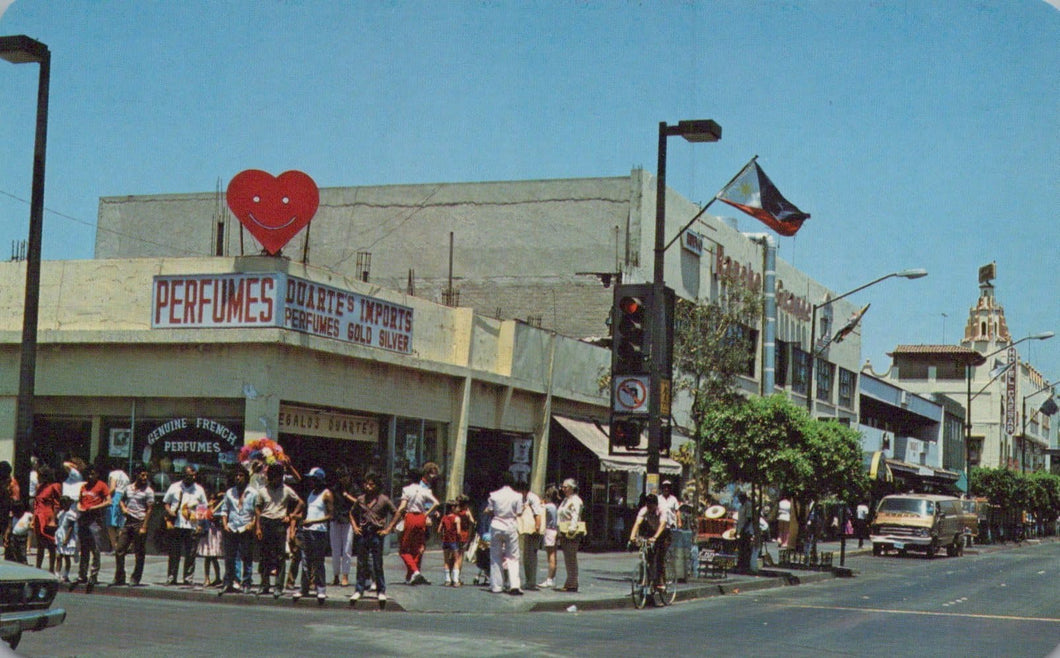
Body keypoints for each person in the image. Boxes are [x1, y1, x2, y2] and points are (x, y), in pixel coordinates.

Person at [384, 462, 440, 586]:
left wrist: (395, 520)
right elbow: (436, 503)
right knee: (417, 548)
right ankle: (410, 576)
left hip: (410, 517)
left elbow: (403, 506)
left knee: (403, 549)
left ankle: (414, 572)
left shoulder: (406, 489)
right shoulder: (425, 490)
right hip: (421, 517)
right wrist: (426, 514)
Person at [254, 462, 303, 598]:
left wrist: (291, 515)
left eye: (279, 476)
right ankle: (264, 585)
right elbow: (258, 509)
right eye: (274, 476)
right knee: (264, 556)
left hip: (279, 523)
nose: (277, 479)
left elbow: (300, 502)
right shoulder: (263, 490)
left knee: (280, 556)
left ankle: (278, 586)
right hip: (265, 522)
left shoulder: (286, 490)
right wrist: (258, 527)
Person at [349, 471, 396, 604]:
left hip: (376, 533)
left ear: (376, 486)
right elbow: (352, 513)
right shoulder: (361, 499)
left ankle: (381, 591)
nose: (368, 487)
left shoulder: (383, 500)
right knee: (361, 562)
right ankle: (359, 590)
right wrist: (355, 526)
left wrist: (388, 528)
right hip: (363, 533)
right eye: (366, 484)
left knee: (377, 563)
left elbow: (396, 513)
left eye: (371, 484)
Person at [162, 465, 209, 586]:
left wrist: (200, 524)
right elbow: (166, 502)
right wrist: (170, 511)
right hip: (176, 524)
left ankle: (188, 578)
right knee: (174, 553)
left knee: (191, 553)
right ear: (184, 475)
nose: (193, 477)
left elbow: (203, 507)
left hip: (192, 526)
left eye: (194, 475)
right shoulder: (174, 487)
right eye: (190, 475)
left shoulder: (199, 489)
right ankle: (171, 577)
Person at [294, 467, 332, 603]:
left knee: (318, 561)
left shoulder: (326, 494)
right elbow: (308, 511)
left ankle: (320, 588)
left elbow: (330, 515)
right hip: (307, 530)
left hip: (319, 532)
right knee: (306, 560)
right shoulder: (311, 493)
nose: (311, 482)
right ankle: (304, 587)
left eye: (314, 479)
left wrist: (313, 521)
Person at [217, 465, 257, 596]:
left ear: (246, 477)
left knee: (247, 557)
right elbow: (224, 510)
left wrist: (253, 524)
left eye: (241, 476)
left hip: (246, 527)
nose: (238, 478)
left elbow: (257, 512)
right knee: (230, 557)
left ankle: (246, 583)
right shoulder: (230, 492)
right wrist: (225, 524)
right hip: (232, 527)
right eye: (236, 476)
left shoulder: (253, 493)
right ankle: (229, 582)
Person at [112, 466, 154, 586]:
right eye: (142, 475)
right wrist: (123, 508)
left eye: (146, 475)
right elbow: (121, 500)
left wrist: (144, 526)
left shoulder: (148, 491)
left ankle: (136, 577)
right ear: (136, 475)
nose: (145, 478)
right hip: (128, 521)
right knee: (120, 549)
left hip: (140, 521)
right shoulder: (128, 488)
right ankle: (120, 575)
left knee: (139, 552)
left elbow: (150, 509)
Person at [72, 464, 111, 591]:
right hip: (83, 518)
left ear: (97, 474)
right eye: (88, 474)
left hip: (95, 519)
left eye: (92, 474)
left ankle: (93, 575)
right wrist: (79, 507)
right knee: (84, 548)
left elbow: (108, 501)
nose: (90, 476)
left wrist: (94, 507)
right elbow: (79, 501)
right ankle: (82, 575)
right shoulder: (83, 486)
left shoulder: (102, 485)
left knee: (95, 549)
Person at [487, 471, 524, 595]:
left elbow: (490, 511)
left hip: (496, 525)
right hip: (511, 526)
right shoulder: (517, 496)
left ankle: (497, 586)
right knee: (513, 556)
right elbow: (519, 512)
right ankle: (514, 585)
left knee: (495, 556)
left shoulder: (493, 495)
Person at [628, 493, 666, 587]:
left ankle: (661, 581)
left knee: (659, 556)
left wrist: (655, 538)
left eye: (651, 506)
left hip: (664, 532)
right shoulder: (644, 510)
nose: (649, 509)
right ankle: (646, 579)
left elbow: (662, 525)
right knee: (648, 556)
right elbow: (637, 523)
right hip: (652, 530)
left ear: (656, 505)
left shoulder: (662, 509)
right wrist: (632, 537)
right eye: (647, 506)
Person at [556, 478, 584, 592]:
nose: (563, 489)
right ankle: (570, 582)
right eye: (562, 487)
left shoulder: (576, 500)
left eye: (565, 487)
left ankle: (573, 583)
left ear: (572, 488)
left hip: (571, 532)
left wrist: (572, 529)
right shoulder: (565, 500)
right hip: (563, 530)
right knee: (568, 558)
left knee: (571, 557)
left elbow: (576, 515)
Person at [33, 464, 62, 573]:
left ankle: (51, 569)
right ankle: (38, 567)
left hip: (48, 516)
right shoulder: (39, 487)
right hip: (38, 516)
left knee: (50, 543)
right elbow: (36, 503)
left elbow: (57, 504)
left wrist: (53, 519)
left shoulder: (54, 486)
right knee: (40, 544)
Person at [329, 467, 355, 588]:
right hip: (336, 520)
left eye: (345, 477)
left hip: (349, 521)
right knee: (335, 549)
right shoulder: (334, 489)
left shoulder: (354, 488)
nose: (343, 480)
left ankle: (345, 575)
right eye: (341, 478)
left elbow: (359, 502)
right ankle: (335, 575)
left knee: (347, 549)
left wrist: (347, 496)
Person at [516, 480, 544, 590]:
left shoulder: (533, 498)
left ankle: (531, 581)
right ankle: (529, 580)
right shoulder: (523, 499)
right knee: (526, 556)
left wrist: (537, 528)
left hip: (533, 531)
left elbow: (538, 514)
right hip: (527, 530)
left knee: (531, 556)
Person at [196, 486, 224, 588]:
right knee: (207, 557)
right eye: (210, 498)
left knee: (214, 557)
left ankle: (217, 577)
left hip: (215, 533)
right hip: (206, 533)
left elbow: (221, 519)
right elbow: (199, 519)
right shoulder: (202, 506)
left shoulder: (219, 507)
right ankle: (206, 578)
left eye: (214, 499)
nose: (212, 500)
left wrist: (215, 517)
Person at [537, 484, 560, 589]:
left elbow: (539, 509)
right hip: (555, 530)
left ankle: (549, 579)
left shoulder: (547, 507)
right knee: (554, 555)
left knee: (550, 556)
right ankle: (552, 578)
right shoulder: (555, 506)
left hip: (549, 531)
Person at [105, 460, 130, 553]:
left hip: (114, 497)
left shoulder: (113, 474)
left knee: (110, 524)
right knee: (120, 523)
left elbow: (112, 488)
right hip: (123, 498)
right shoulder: (126, 476)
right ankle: (120, 546)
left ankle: (114, 547)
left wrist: (105, 497)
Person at [54, 496, 78, 582]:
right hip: (60, 535)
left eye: (65, 504)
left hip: (67, 536)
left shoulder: (71, 514)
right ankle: (57, 573)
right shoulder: (61, 513)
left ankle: (66, 574)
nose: (63, 506)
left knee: (66, 557)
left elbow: (70, 527)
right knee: (58, 556)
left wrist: (66, 539)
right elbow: (58, 522)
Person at [439, 500, 463, 586]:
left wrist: (442, 536)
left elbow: (439, 530)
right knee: (456, 560)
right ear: (453, 508)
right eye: (457, 507)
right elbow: (459, 532)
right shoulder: (457, 518)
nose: (459, 509)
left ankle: (447, 580)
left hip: (446, 541)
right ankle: (456, 580)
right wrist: (460, 539)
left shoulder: (444, 518)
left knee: (446, 560)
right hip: (454, 541)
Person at [735, 491, 755, 571]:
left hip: (747, 531)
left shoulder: (748, 505)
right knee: (741, 548)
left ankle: (746, 565)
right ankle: (740, 564)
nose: (739, 500)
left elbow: (749, 518)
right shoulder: (741, 506)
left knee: (746, 548)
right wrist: (737, 530)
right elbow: (739, 520)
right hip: (741, 530)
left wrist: (743, 529)